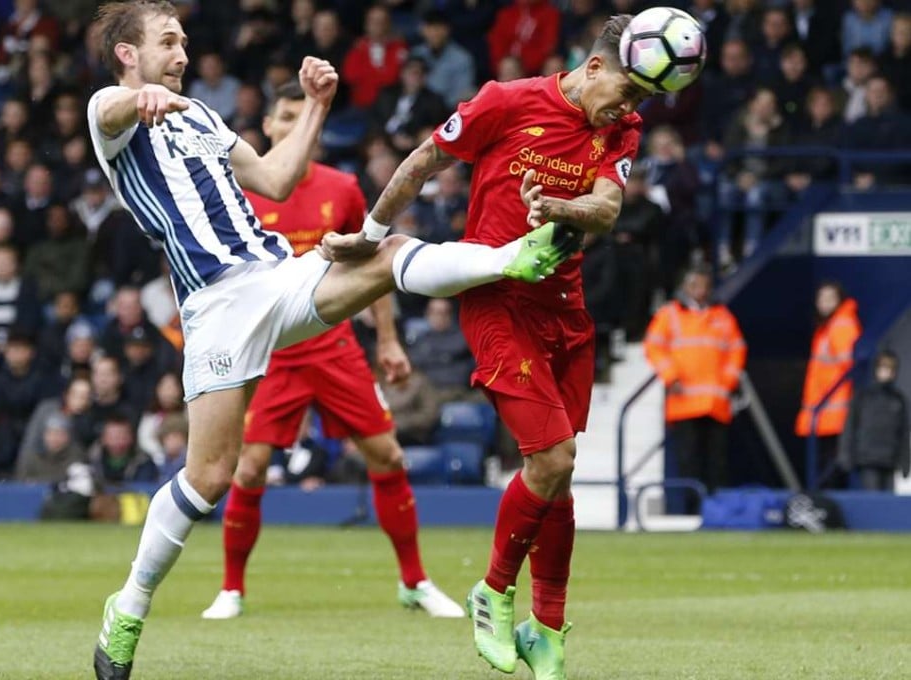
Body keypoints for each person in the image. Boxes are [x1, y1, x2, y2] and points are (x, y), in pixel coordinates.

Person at [87, 3, 572, 678]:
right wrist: (134, 97)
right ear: (128, 54)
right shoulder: (111, 112)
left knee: (387, 250)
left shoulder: (197, 114)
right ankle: (129, 605)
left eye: (184, 40)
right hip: (216, 308)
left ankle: (511, 257)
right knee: (208, 478)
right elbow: (111, 112)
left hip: (278, 276)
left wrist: (316, 106)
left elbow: (275, 178)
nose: (182, 52)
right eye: (168, 41)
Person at [321, 13, 654, 679]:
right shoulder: (506, 102)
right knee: (553, 455)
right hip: (497, 300)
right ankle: (493, 590)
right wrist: (371, 231)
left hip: (565, 307)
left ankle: (550, 630)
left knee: (557, 478)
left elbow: (609, 209)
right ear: (592, 68)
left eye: (643, 99)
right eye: (626, 90)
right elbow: (423, 159)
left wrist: (559, 207)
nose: (630, 107)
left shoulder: (621, 125)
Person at [200, 81, 464, 622]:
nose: (298, 126)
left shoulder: (341, 187)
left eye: (306, 118)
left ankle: (414, 581)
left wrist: (387, 339)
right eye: (287, 117)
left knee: (388, 456)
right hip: (272, 353)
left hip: (334, 346)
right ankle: (231, 589)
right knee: (248, 470)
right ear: (268, 129)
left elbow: (372, 268)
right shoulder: (242, 193)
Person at [643, 268, 747, 512]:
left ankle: (716, 512)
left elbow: (737, 350)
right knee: (689, 462)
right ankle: (693, 510)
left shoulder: (722, 316)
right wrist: (671, 377)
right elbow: (653, 348)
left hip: (715, 402)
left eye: (704, 286)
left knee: (717, 463)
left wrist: (727, 382)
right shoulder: (669, 315)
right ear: (686, 287)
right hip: (684, 402)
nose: (701, 291)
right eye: (695, 286)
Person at [795, 281, 862, 489]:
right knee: (825, 461)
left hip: (833, 408)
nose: (824, 304)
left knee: (832, 462)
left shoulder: (842, 326)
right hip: (824, 408)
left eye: (829, 299)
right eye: (821, 299)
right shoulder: (827, 328)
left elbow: (848, 367)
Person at [839, 350, 910, 492]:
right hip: (867, 459)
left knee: (888, 502)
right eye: (883, 367)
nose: (886, 371)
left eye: (890, 368)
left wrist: (905, 462)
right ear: (876, 368)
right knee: (872, 497)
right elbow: (850, 427)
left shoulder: (899, 399)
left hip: (890, 460)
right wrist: (845, 454)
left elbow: (904, 433)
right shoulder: (863, 397)